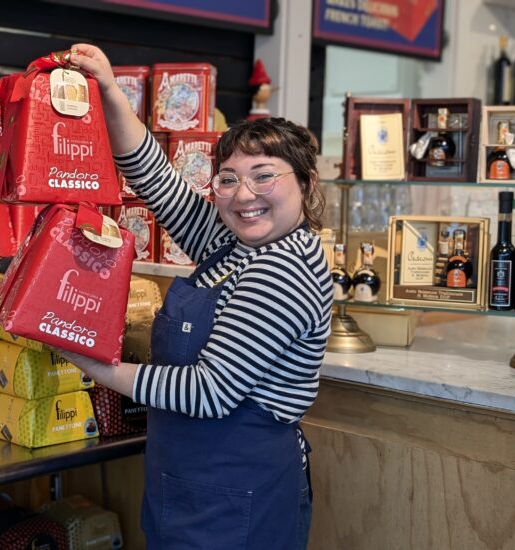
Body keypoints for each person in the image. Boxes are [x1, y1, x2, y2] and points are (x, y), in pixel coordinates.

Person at [60, 44, 333, 550]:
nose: (243, 194)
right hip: (190, 482)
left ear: (307, 182)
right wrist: (109, 89)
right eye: (228, 179)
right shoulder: (234, 246)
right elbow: (156, 179)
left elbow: (209, 391)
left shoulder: (285, 266)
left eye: (264, 175)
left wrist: (91, 361)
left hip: (240, 494)